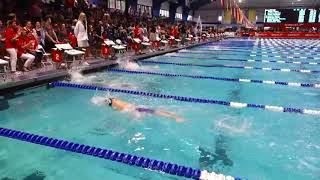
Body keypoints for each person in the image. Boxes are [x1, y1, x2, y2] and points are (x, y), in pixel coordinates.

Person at [105, 98, 184, 123]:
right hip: (136, 108)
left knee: (156, 112)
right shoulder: (116, 101)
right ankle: (174, 116)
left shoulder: (115, 104)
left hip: (137, 109)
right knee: (156, 112)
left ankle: (175, 117)